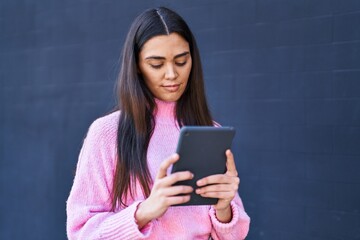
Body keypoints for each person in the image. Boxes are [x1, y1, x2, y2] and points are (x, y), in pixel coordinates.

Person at [66, 7, 250, 240]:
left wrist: (224, 208)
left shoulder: (209, 132)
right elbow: (80, 232)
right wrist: (144, 211)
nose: (172, 74)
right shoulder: (107, 133)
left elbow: (235, 235)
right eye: (156, 64)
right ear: (137, 67)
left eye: (181, 61)